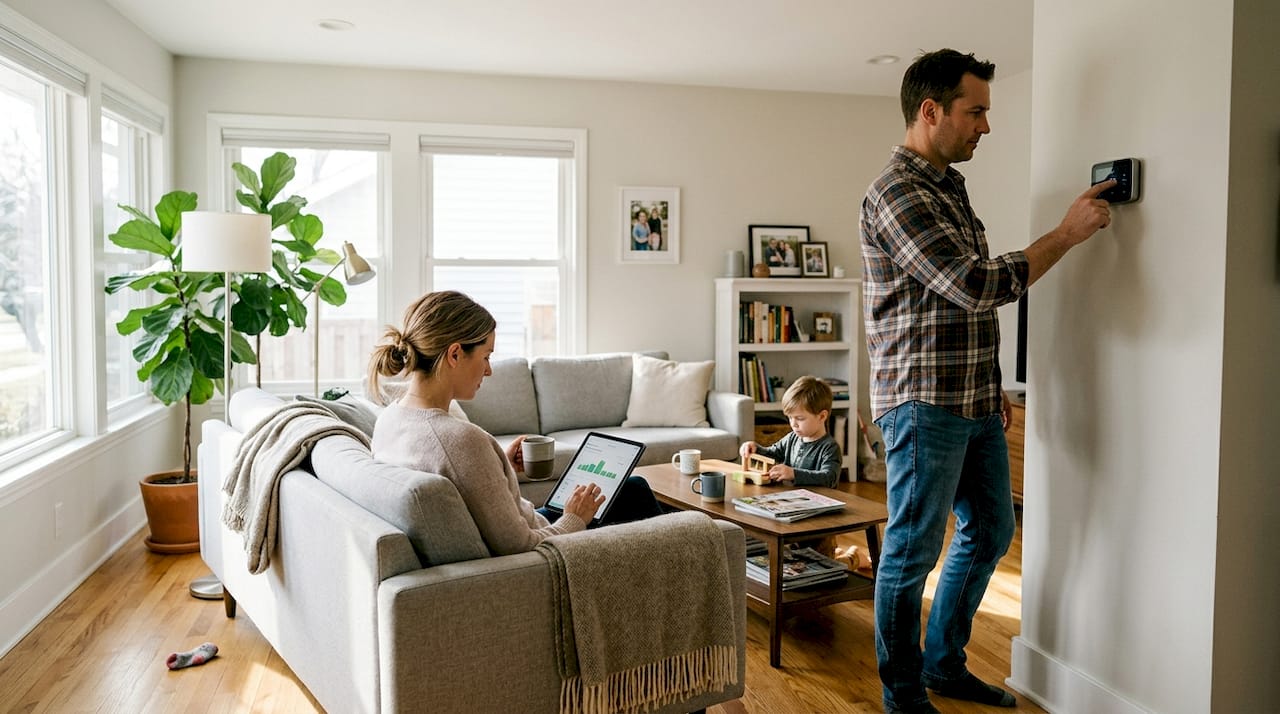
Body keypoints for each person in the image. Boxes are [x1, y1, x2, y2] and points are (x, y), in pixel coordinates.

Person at [860, 49, 1115, 714]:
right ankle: (904, 694)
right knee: (912, 552)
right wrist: (1064, 235)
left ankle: (944, 664)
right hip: (921, 404)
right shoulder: (896, 193)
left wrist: (991, 382)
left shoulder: (948, 187)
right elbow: (972, 285)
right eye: (976, 112)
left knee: (992, 530)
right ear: (931, 111)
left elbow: (948, 305)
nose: (986, 126)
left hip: (970, 398)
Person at [367, 290, 663, 556]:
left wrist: (501, 466)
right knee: (640, 498)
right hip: (548, 550)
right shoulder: (461, 440)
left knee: (631, 487)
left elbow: (459, 474)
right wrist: (576, 518)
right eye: (486, 356)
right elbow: (522, 547)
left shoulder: (390, 418)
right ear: (455, 354)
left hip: (536, 523)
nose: (489, 370)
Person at [738, 375, 841, 488]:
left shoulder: (830, 448)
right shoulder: (792, 438)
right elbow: (772, 454)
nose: (793, 424)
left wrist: (793, 474)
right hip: (791, 498)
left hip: (818, 501)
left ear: (822, 416)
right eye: (790, 418)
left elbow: (829, 478)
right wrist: (755, 448)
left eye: (800, 418)